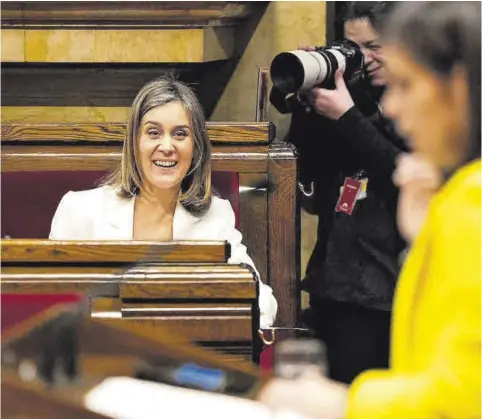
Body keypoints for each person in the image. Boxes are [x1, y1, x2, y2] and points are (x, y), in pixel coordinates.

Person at [259, 2, 481, 418]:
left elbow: (465, 395)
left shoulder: (472, 203)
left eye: (407, 84)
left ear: (460, 86)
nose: (392, 106)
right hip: (337, 286)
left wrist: (345, 404)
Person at [49, 76, 278, 328]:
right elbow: (52, 309)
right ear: (135, 143)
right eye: (153, 133)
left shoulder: (214, 215)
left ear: (196, 148)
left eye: (180, 134)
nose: (167, 146)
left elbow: (261, 301)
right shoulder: (79, 211)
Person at [291, 1, 407, 384]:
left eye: (374, 46)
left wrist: (347, 118)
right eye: (353, 47)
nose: (364, 58)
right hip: (332, 287)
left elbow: (405, 174)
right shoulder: (349, 95)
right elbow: (311, 191)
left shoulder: (424, 105)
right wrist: (308, 108)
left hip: (387, 296)